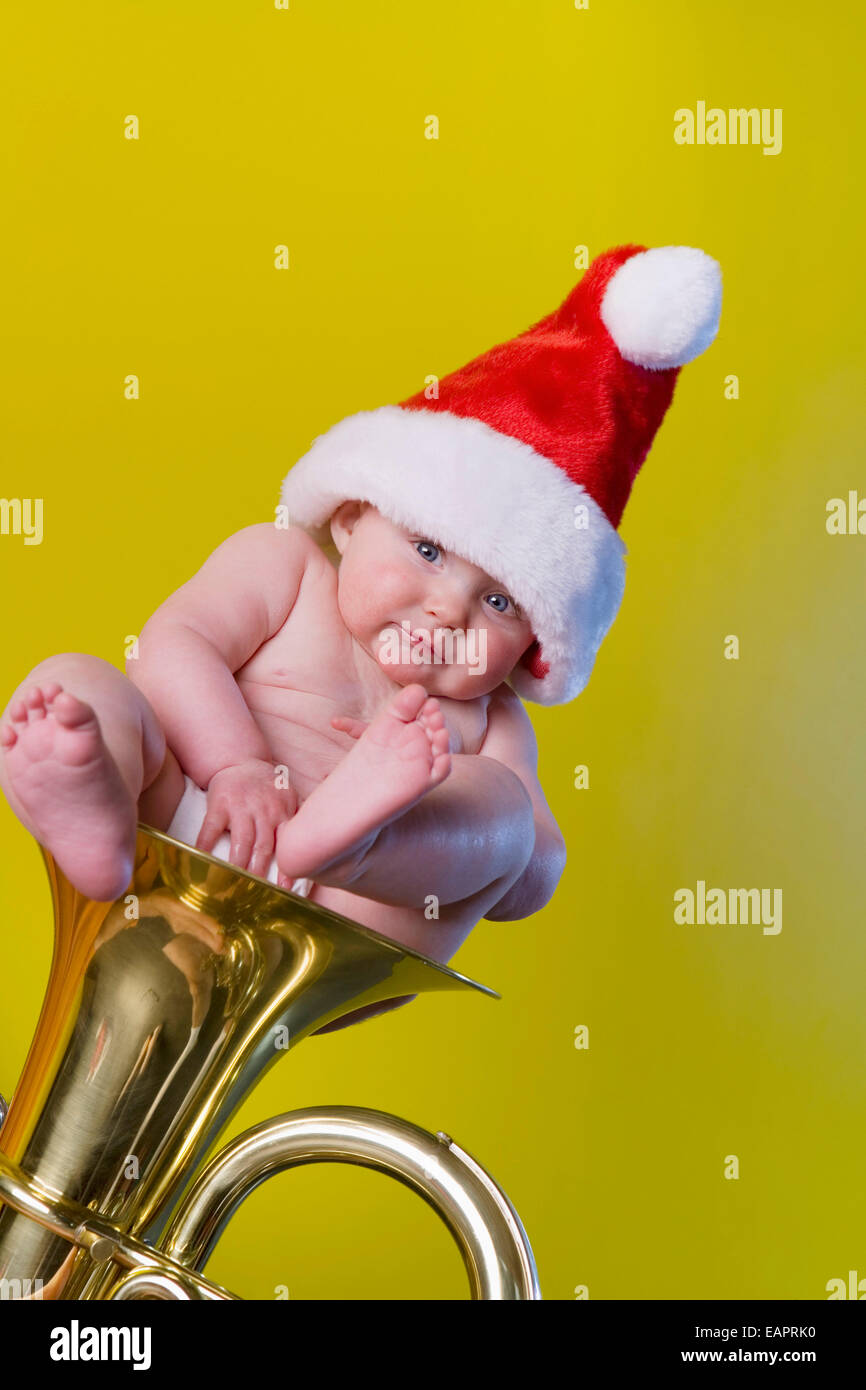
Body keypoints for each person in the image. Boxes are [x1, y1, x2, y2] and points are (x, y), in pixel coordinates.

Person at [0, 243, 721, 1028]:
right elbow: (175, 644)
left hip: (337, 918)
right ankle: (92, 808)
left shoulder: (489, 720)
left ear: (535, 647)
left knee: (509, 819)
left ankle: (357, 842)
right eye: (427, 550)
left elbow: (533, 875)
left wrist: (427, 817)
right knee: (81, 683)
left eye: (502, 602)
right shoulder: (284, 567)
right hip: (180, 813)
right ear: (349, 516)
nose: (449, 609)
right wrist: (238, 764)